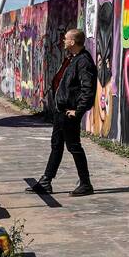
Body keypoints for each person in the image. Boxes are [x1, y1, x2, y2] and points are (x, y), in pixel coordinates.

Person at [28, 28, 95, 197]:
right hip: (61, 111)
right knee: (57, 145)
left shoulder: (83, 61)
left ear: (73, 42)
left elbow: (89, 89)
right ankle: (46, 181)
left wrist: (78, 111)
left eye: (66, 39)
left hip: (69, 112)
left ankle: (86, 183)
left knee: (74, 146)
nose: (64, 41)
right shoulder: (72, 59)